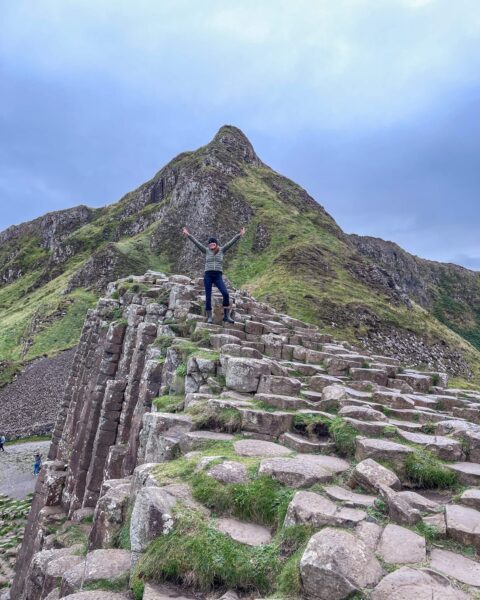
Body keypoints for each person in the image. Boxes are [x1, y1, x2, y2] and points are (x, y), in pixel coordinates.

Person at [182, 226, 246, 324]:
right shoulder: (206, 250)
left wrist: (239, 235)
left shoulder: (222, 250)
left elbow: (231, 242)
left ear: (216, 244)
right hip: (208, 275)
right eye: (210, 244)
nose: (211, 245)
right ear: (208, 245)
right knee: (208, 295)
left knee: (225, 293)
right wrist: (188, 235)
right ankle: (209, 317)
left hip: (218, 276)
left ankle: (226, 315)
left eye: (213, 243)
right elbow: (196, 243)